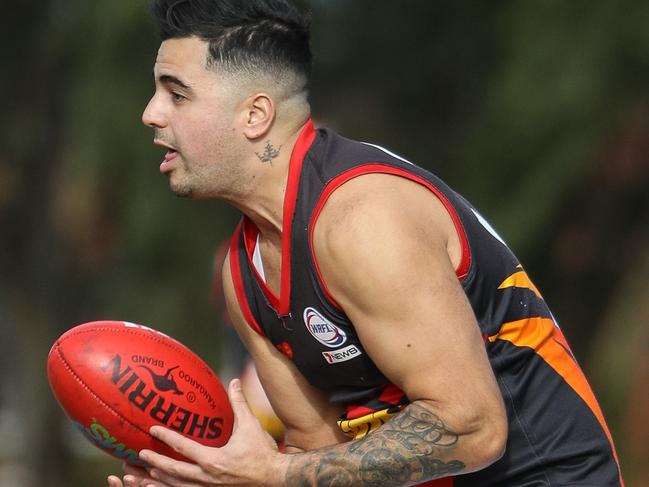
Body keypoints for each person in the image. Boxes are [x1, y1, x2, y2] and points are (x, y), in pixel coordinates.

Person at [108, 0, 624, 485]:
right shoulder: (244, 274)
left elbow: (473, 426)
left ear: (255, 115)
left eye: (177, 94)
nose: (150, 113)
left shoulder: (362, 220)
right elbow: (318, 455)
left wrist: (277, 475)